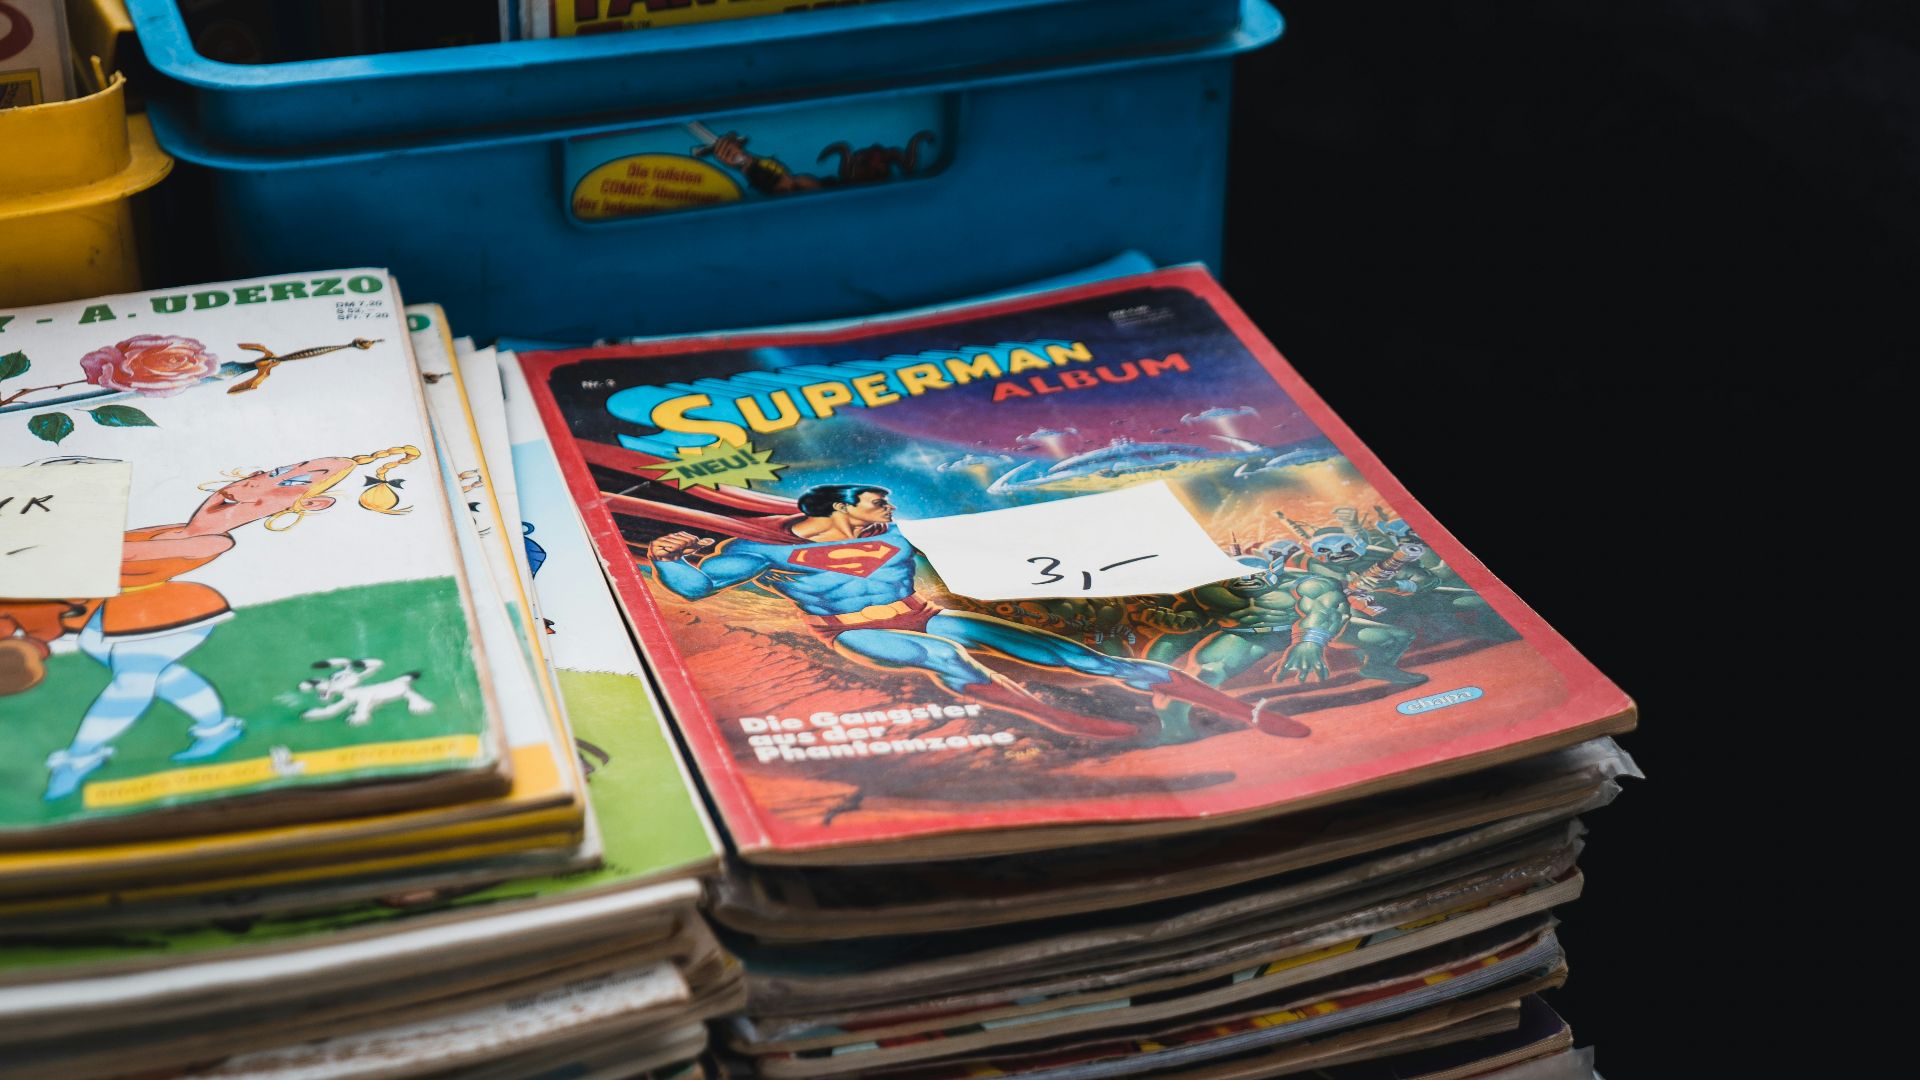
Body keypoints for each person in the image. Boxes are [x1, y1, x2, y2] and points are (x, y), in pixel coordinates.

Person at [647, 482, 1309, 742]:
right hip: (861, 633)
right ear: (840, 506)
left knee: (1075, 656)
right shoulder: (758, 551)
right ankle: (1058, 718)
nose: (888, 509)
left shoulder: (900, 535)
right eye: (876, 502)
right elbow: (695, 590)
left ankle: (1240, 711)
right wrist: (665, 556)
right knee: (945, 659)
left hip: (922, 610)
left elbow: (989, 543)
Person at [24, 446, 418, 800]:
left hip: (167, 616)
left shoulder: (213, 540)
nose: (254, 483)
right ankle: (218, 728)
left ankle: (79, 758)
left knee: (134, 681)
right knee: (165, 677)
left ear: (308, 504)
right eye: (271, 472)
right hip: (112, 615)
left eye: (288, 483)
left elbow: (116, 554)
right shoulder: (168, 527)